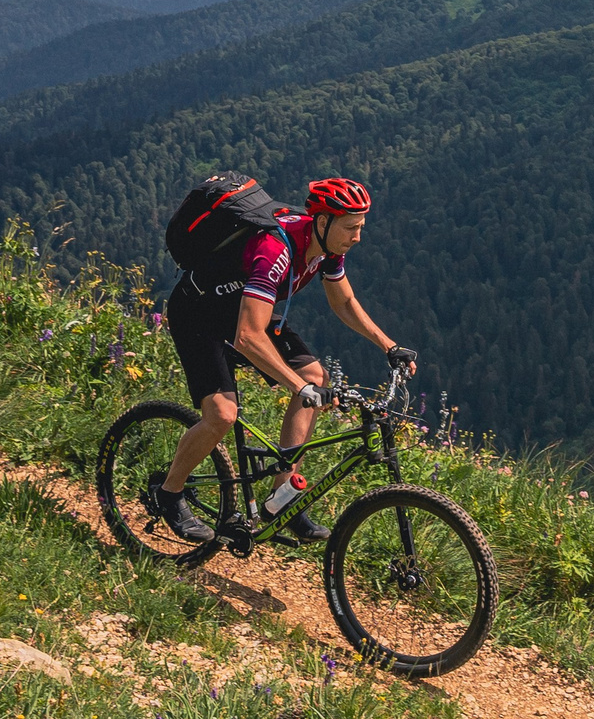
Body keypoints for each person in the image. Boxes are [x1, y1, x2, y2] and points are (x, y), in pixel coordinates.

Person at [150, 177, 415, 544]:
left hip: (244, 310)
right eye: (351, 228)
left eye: (361, 227)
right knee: (223, 415)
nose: (357, 237)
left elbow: (344, 302)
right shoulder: (275, 248)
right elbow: (248, 336)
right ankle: (169, 493)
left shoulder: (326, 248)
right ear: (323, 221)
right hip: (200, 314)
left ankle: (282, 500)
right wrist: (299, 387)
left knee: (315, 375)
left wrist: (389, 346)